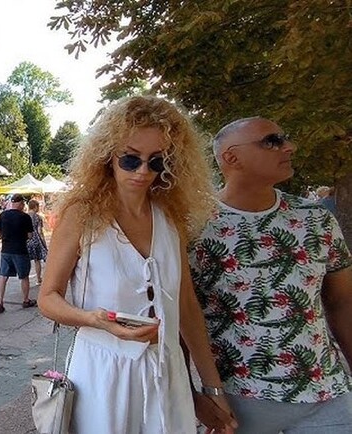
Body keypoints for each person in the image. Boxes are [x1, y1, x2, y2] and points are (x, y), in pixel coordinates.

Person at [37, 95, 237, 434]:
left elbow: (186, 305)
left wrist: (212, 388)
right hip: (101, 373)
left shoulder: (170, 217)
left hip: (166, 371)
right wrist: (93, 319)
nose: (143, 171)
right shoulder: (82, 214)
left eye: (156, 161)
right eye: (131, 159)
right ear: (108, 156)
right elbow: (48, 298)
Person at [189, 117, 352, 433]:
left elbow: (342, 300)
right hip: (239, 403)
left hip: (327, 396)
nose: (289, 147)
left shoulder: (315, 218)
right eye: (272, 141)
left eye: (284, 138)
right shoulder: (193, 225)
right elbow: (178, 315)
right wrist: (198, 394)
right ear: (231, 158)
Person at [0, 194, 36, 314]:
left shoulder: (3, 215)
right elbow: (30, 235)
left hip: (6, 250)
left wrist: (2, 236)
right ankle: (26, 300)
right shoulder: (25, 217)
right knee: (24, 276)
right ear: (21, 204)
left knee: (3, 276)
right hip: (20, 250)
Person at [26, 199, 47, 285]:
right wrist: (44, 243)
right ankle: (38, 279)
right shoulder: (38, 217)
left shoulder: (25, 216)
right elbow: (40, 231)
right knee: (37, 260)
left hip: (26, 240)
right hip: (36, 240)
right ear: (35, 207)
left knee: (26, 261)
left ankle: (25, 279)